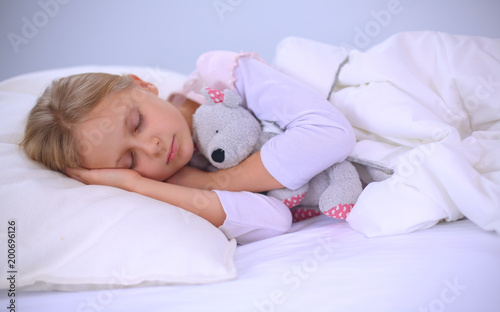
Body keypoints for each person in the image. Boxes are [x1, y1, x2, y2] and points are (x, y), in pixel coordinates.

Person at [21, 51, 356, 244]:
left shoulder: (222, 76)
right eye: (128, 160)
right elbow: (276, 219)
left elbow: (331, 133)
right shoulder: (167, 185)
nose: (150, 148)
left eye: (137, 122)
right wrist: (135, 185)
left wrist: (212, 183)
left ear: (142, 85)